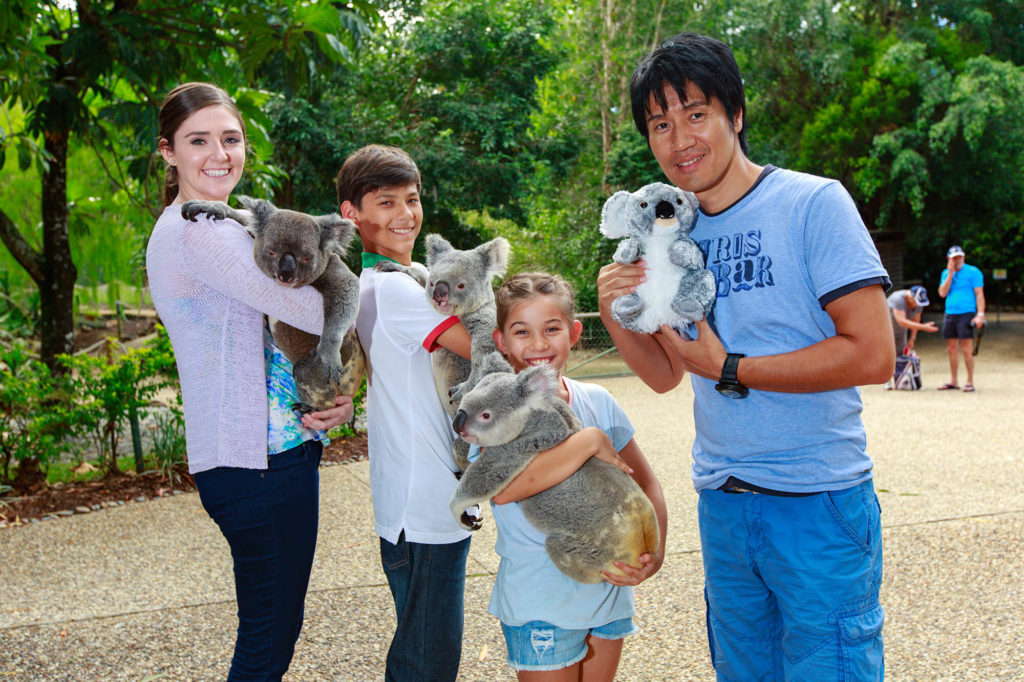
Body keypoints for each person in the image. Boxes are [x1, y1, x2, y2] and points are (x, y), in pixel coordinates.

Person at [596, 34, 893, 680]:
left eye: (696, 114)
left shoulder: (813, 204)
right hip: (724, 502)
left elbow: (874, 353)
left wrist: (732, 368)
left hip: (818, 499)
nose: (679, 142)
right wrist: (615, 312)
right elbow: (669, 373)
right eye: (660, 124)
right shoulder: (674, 224)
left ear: (736, 113)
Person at [146, 82, 354, 681]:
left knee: (271, 634)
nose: (219, 154)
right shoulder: (199, 232)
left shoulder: (223, 225)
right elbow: (309, 309)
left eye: (230, 139)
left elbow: (275, 337)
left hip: (271, 452)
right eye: (198, 141)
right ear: (168, 152)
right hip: (257, 464)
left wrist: (332, 396)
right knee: (266, 643)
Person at [479, 272, 668, 681]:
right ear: (501, 341)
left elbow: (647, 483)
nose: (539, 344)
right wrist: (587, 442)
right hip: (540, 599)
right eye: (522, 332)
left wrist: (656, 552)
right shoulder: (495, 409)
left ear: (574, 332)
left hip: (608, 591)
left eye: (551, 329)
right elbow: (504, 490)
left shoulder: (598, 400)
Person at [338, 144, 477, 681]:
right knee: (428, 663)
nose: (405, 215)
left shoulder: (391, 280)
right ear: (353, 214)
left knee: (423, 651)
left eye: (412, 200)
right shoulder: (397, 291)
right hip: (426, 506)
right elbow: (490, 347)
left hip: (409, 502)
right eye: (386, 202)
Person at [937, 245, 985, 392]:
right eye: (954, 257)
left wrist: (980, 314)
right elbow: (942, 293)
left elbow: (979, 294)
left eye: (959, 257)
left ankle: (970, 380)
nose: (957, 260)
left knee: (966, 348)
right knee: (951, 348)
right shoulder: (945, 273)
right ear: (949, 259)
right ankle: (954, 380)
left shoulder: (973, 272)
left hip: (967, 313)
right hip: (950, 312)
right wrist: (950, 274)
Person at [887, 284, 937, 357]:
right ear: (911, 297)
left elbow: (916, 321)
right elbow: (901, 321)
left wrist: (912, 338)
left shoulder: (919, 304)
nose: (918, 305)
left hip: (901, 332)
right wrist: (923, 327)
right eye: (916, 302)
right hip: (886, 332)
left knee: (900, 356)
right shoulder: (898, 299)